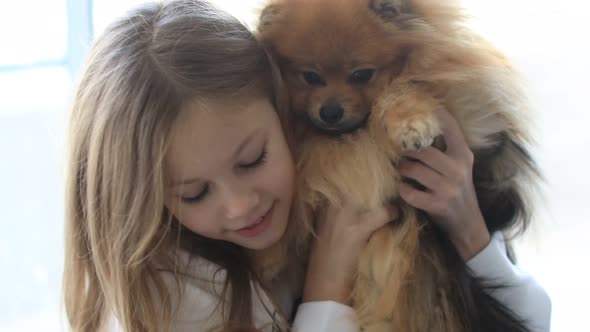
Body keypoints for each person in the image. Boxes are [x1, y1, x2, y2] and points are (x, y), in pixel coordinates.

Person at [62, 0, 551, 331]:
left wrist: (469, 230)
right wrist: (328, 276)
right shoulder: (173, 295)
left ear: (279, 108)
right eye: (193, 192)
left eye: (254, 160)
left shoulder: (398, 165)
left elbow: (530, 321)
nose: (239, 205)